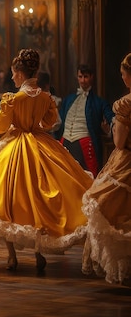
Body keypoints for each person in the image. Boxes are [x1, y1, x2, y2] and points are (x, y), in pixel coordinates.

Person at [0, 49, 93, 272]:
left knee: (8, 201)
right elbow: (50, 121)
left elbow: (0, 125)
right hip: (41, 144)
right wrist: (31, 124)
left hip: (17, 148)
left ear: (20, 73)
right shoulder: (45, 97)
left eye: (14, 73)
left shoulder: (14, 98)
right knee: (37, 200)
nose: (12, 77)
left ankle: (12, 256)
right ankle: (37, 254)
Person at [82, 53, 131, 287]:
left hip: (126, 161)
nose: (122, 78)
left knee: (105, 205)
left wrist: (114, 128)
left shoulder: (125, 104)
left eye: (123, 74)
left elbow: (120, 142)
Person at [56, 64, 114, 177]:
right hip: (65, 141)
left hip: (84, 142)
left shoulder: (99, 102)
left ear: (91, 77)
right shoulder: (68, 99)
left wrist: (109, 129)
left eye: (86, 76)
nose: (83, 80)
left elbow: (111, 118)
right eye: (80, 76)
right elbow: (58, 121)